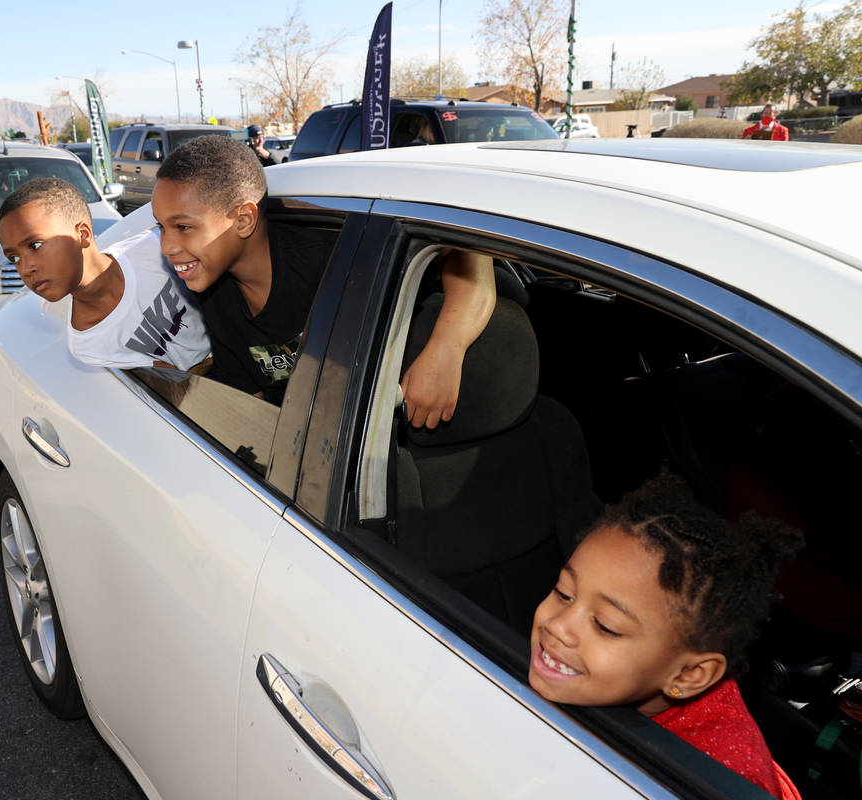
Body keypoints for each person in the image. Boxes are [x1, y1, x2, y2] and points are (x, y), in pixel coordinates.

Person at [152, 134, 495, 424]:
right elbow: (252, 409)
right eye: (161, 227)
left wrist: (446, 349)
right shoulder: (217, 299)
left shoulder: (333, 255)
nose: (167, 246)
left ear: (243, 220)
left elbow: (468, 248)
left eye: (183, 227)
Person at [529, 471, 803, 799]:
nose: (558, 625)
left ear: (688, 675)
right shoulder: (648, 672)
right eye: (564, 593)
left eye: (605, 626)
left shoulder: (706, 782)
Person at [0, 177, 208, 370]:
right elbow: (178, 384)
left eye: (35, 245)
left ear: (82, 235)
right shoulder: (87, 345)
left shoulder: (153, 248)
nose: (25, 269)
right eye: (14, 258)